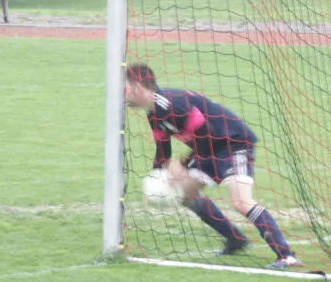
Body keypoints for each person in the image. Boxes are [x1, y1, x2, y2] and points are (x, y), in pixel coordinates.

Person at [124, 63, 303, 269]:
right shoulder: (153, 113)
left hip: (233, 143)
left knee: (241, 201)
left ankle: (287, 256)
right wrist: (158, 177)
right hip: (210, 148)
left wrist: (183, 166)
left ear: (137, 86)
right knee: (185, 195)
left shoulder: (174, 104)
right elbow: (163, 150)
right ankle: (236, 239)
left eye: (125, 88)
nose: (123, 95)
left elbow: (205, 132)